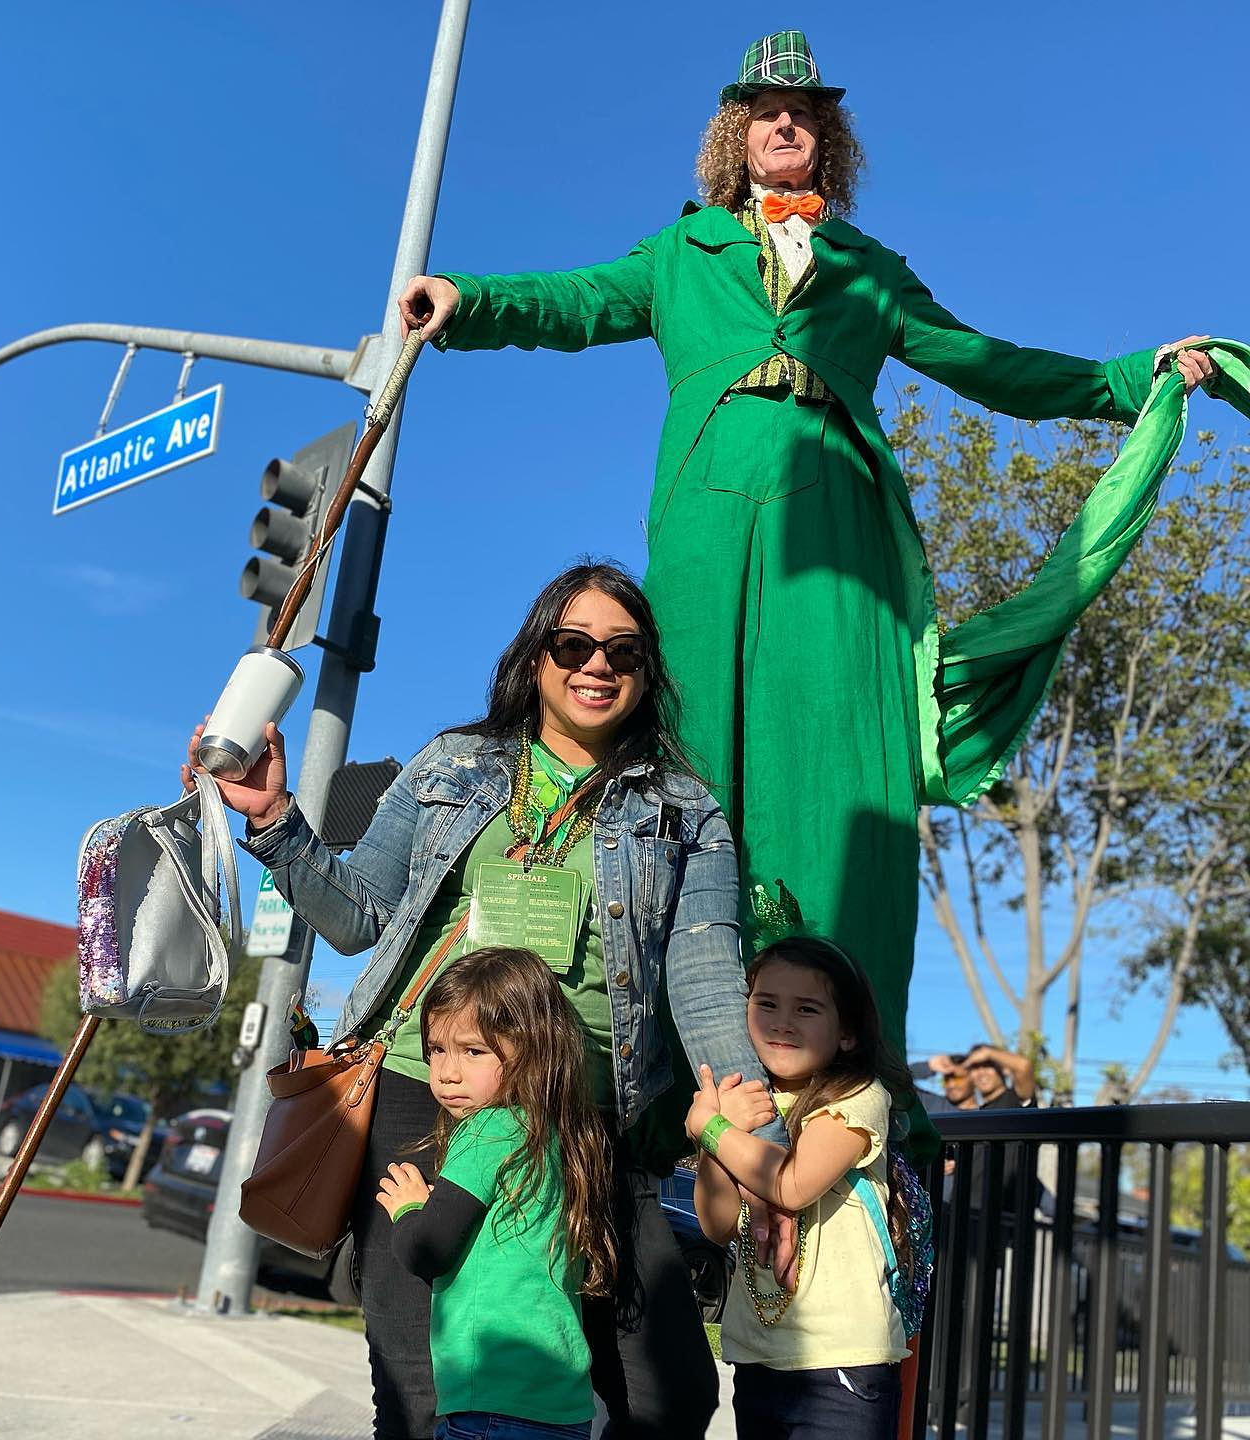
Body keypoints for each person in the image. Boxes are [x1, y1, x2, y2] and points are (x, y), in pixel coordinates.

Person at [394, 29, 1217, 1141]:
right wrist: (468, 298)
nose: (786, 123)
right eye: (766, 111)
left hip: (839, 527)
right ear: (735, 134)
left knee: (839, 765)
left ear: (829, 137)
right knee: (687, 755)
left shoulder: (870, 270)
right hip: (708, 518)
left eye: (806, 112)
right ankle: (666, 1089)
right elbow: (577, 299)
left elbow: (986, 363)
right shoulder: (681, 253)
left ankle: (843, 1079)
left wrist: (1129, 378)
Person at [188, 560, 777, 1440]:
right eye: (572, 644)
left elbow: (705, 981)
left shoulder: (684, 811)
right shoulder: (452, 765)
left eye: (623, 651)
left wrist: (761, 1148)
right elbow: (358, 918)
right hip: (421, 1092)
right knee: (420, 1387)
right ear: (535, 658)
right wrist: (273, 821)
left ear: (646, 672)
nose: (597, 664)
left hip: (582, 1115)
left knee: (666, 1394)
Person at [377, 946, 613, 1440]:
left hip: (491, 1401)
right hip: (563, 1408)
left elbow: (427, 1250)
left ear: (531, 1049)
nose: (447, 1072)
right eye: (436, 1050)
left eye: (473, 1051)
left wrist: (409, 1209)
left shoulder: (488, 1130)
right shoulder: (556, 1134)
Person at [687, 935, 915, 1440]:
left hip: (843, 1361)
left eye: (807, 1009)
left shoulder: (858, 1096)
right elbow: (717, 1224)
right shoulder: (745, 1104)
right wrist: (716, 1138)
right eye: (766, 1003)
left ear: (847, 1033)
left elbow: (791, 1184)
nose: (782, 1022)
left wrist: (711, 1128)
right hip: (758, 1357)